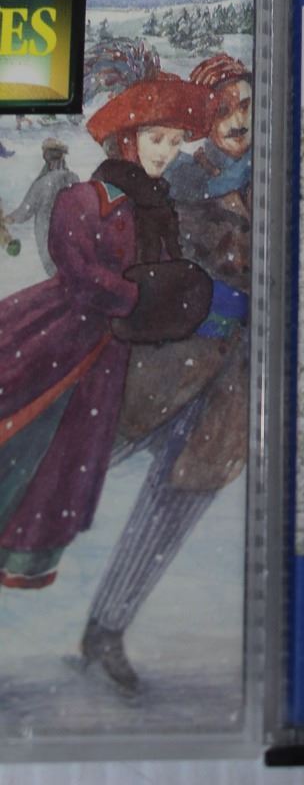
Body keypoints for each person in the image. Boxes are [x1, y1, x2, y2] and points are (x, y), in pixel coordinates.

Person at [0, 73, 213, 596]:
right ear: (128, 140)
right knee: (25, 435)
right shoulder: (84, 198)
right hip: (58, 335)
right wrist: (135, 297)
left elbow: (165, 272)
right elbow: (78, 271)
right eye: (156, 138)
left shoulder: (159, 208)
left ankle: (26, 554)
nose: (166, 152)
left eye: (175, 142)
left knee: (70, 460)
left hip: (109, 354)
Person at [82, 54, 253, 695]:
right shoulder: (174, 175)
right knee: (72, 462)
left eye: (248, 105)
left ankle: (106, 629)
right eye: (225, 106)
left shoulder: (273, 176)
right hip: (159, 365)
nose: (239, 119)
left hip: (231, 386)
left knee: (174, 504)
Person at [9, 136, 78, 275]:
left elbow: (24, 212)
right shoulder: (73, 178)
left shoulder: (42, 184)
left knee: (55, 274)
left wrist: (7, 219)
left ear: (46, 157)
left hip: (47, 237)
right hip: (71, 236)